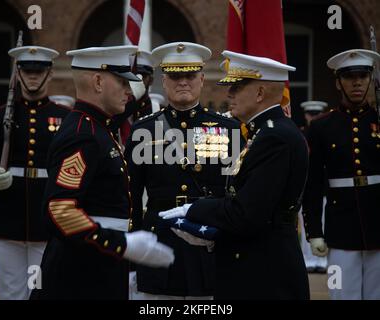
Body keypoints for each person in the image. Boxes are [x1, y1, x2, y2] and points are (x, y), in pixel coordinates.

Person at [159, 50, 310, 300]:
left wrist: (194, 210)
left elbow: (247, 213)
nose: (229, 94)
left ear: (260, 93)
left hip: (264, 273)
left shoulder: (273, 138)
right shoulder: (265, 133)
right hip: (256, 261)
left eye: (237, 87)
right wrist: (215, 234)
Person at [30, 45, 174, 300]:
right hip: (80, 275)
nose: (128, 91)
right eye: (121, 82)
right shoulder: (83, 136)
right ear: (98, 81)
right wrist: (121, 244)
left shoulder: (97, 127)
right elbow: (60, 210)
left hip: (98, 264)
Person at [125, 42, 241, 300]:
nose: (183, 82)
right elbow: (131, 194)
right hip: (160, 241)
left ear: (202, 79)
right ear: (163, 81)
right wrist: (132, 251)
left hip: (208, 242)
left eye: (190, 75)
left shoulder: (227, 129)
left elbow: (236, 191)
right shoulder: (144, 130)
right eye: (176, 76)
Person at [0, 46, 70, 300]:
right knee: (10, 293)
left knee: (42, 292)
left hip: (46, 220)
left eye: (39, 71)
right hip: (7, 219)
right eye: (27, 71)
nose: (33, 76)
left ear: (49, 74)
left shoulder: (64, 117)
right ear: (18, 73)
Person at [302, 49, 380, 300]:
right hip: (340, 228)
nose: (357, 82)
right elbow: (312, 183)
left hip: (379, 222)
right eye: (349, 77)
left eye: (363, 76)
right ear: (338, 82)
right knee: (341, 293)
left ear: (371, 80)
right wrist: (314, 230)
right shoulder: (322, 126)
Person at [298, 101, 328, 273]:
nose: (313, 117)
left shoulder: (325, 133)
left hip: (322, 187)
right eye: (311, 114)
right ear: (306, 115)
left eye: (317, 114)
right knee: (306, 225)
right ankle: (308, 259)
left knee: (322, 224)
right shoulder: (302, 134)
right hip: (305, 187)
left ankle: (321, 260)